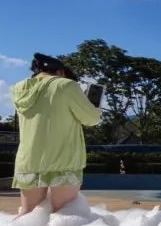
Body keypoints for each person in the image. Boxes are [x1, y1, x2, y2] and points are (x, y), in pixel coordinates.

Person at [11, 53, 102, 216]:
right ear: (60, 72)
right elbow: (92, 118)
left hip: (28, 160)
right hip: (63, 160)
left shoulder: (19, 88)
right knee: (63, 215)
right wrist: (94, 105)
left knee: (27, 214)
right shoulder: (66, 85)